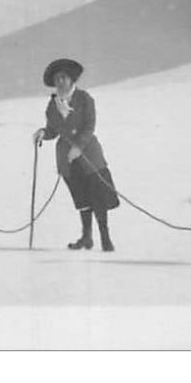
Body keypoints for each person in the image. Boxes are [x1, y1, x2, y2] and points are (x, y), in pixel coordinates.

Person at [33, 58, 120, 253]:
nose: (60, 82)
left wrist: (78, 147)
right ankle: (87, 237)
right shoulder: (53, 105)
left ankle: (105, 238)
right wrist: (43, 134)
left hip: (89, 155)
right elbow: (53, 130)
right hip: (67, 158)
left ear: (72, 80)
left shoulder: (84, 99)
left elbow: (89, 126)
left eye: (64, 77)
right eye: (57, 79)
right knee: (81, 198)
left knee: (98, 197)